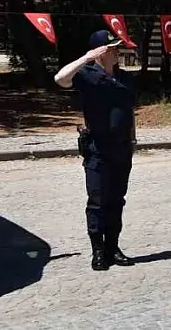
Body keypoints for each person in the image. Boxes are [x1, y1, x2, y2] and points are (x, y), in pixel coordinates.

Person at [54, 30, 137, 271]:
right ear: (100, 51)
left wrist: (133, 141)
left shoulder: (124, 78)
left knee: (116, 201)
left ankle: (113, 247)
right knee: (97, 202)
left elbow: (129, 112)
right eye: (112, 48)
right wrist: (86, 58)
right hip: (98, 149)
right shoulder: (87, 75)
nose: (117, 52)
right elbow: (60, 79)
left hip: (122, 149)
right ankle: (98, 251)